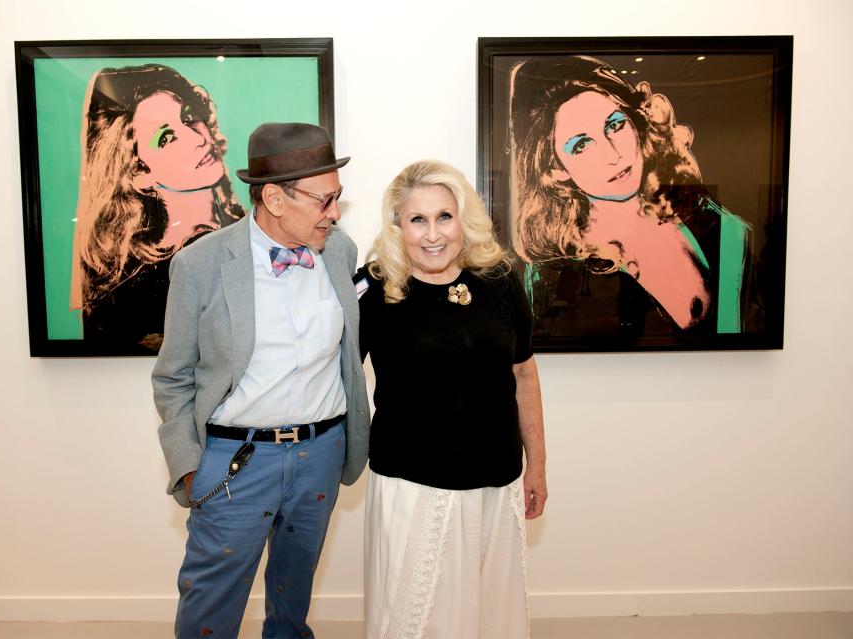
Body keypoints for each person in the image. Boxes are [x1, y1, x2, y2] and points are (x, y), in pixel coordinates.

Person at [152, 122, 370, 639]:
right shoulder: (201, 265)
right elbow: (173, 376)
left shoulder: (339, 252)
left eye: (337, 198)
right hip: (233, 462)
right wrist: (189, 468)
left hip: (320, 454)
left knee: (293, 599)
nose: (334, 213)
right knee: (211, 605)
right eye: (324, 201)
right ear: (273, 197)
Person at [355, 160, 546, 639]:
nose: (432, 234)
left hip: (494, 481)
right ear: (398, 227)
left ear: (466, 219)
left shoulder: (501, 282)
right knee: (416, 615)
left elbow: (524, 373)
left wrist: (536, 466)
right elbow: (335, 377)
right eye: (417, 219)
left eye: (445, 216)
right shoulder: (375, 289)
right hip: (410, 484)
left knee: (485, 613)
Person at [509, 55, 756, 343]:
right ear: (555, 169)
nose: (614, 155)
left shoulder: (712, 223)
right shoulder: (554, 273)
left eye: (614, 126)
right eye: (582, 144)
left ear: (636, 123)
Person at [70, 63, 246, 353]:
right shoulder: (135, 292)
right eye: (166, 137)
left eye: (189, 118)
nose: (198, 139)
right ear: (139, 171)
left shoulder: (254, 235)